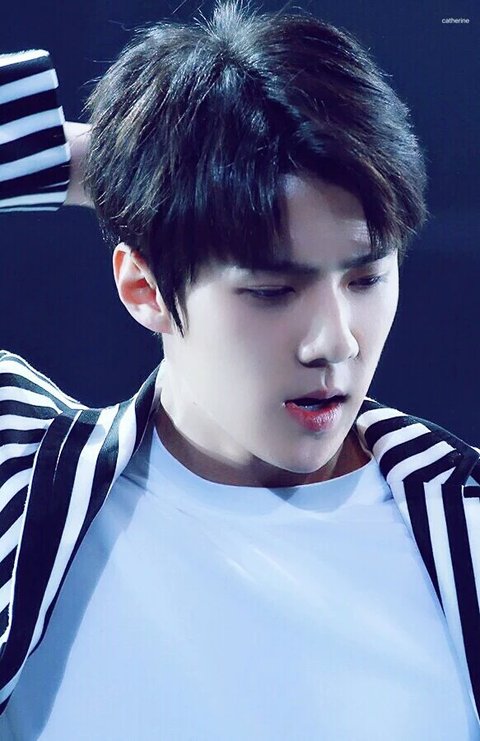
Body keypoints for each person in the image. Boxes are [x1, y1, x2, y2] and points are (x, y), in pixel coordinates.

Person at [0, 2, 479, 738]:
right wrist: (138, 173)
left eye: (365, 278)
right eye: (271, 290)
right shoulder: (25, 482)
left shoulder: (464, 525)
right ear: (144, 288)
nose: (335, 342)